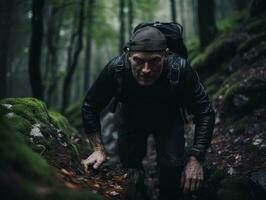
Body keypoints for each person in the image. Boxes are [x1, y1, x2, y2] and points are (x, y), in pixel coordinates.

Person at [81, 25, 215, 200]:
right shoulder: (116, 69)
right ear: (128, 55)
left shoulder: (180, 70)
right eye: (138, 60)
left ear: (166, 55)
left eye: (154, 61)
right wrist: (98, 149)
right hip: (130, 119)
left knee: (172, 166)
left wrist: (196, 157)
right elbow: (90, 106)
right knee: (131, 168)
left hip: (168, 120)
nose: (146, 69)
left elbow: (205, 111)